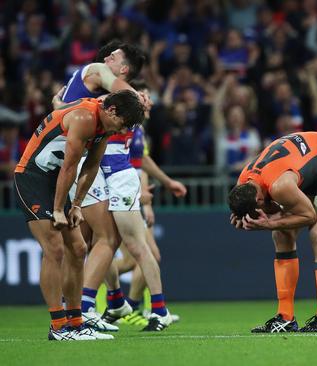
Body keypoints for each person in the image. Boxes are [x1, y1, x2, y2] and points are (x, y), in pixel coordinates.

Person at [58, 41, 184, 332]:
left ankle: (153, 309)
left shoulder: (115, 103)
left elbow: (141, 161)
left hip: (117, 174)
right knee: (98, 242)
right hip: (94, 168)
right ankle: (109, 302)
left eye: (114, 56)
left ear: (123, 69)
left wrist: (153, 192)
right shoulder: (109, 99)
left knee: (127, 245)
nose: (106, 56)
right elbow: (69, 108)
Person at [14, 90, 144, 340]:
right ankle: (58, 327)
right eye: (122, 124)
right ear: (112, 111)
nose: (121, 131)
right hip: (33, 177)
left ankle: (75, 323)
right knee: (54, 248)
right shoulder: (85, 118)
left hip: (55, 180)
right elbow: (70, 165)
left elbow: (91, 165)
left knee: (79, 248)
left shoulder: (105, 125)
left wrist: (76, 206)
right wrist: (60, 208)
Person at [229, 131, 317, 333]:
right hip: (304, 163)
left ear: (260, 200)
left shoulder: (280, 186)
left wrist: (269, 223)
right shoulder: (244, 183)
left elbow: (309, 216)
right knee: (281, 233)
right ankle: (285, 317)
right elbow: (268, 208)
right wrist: (242, 217)